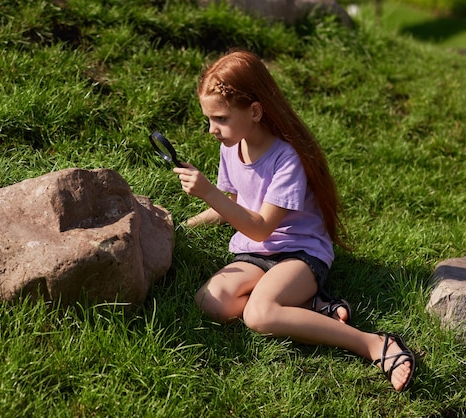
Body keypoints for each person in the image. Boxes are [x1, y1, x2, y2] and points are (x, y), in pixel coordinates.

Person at [173, 50, 416, 392]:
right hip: (255, 253)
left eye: (221, 119)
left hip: (298, 253)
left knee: (258, 314)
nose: (212, 129)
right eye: (209, 119)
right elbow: (234, 205)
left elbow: (260, 226)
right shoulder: (231, 147)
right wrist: (185, 225)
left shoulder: (287, 159)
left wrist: (206, 191)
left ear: (255, 111)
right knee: (210, 302)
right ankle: (309, 307)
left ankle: (372, 343)